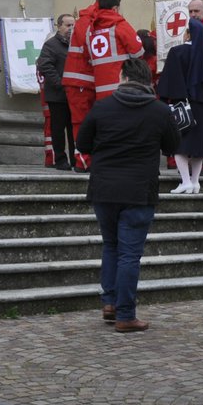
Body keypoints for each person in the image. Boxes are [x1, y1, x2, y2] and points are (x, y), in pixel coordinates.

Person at [77, 57, 180, 332]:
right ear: (148, 80)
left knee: (111, 246)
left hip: (104, 189)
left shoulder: (102, 107)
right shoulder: (159, 111)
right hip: (139, 191)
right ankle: (125, 314)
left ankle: (110, 302)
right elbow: (173, 146)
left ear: (122, 77)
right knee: (129, 255)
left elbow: (82, 143)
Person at [63, 0, 141, 170]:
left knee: (91, 122)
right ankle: (83, 160)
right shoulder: (93, 22)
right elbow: (137, 50)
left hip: (92, 82)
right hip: (82, 81)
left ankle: (90, 158)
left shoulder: (93, 21)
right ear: (114, 8)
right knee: (82, 122)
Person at [155, 16, 203, 193]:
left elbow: (170, 80)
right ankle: (195, 182)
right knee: (199, 147)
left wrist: (164, 99)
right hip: (202, 107)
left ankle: (185, 181)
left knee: (179, 145)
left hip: (182, 105)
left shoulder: (178, 52)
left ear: (189, 34)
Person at [35, 12, 76, 171]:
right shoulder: (51, 44)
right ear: (59, 27)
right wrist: (60, 83)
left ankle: (75, 159)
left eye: (73, 25)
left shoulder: (76, 45)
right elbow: (44, 65)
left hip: (73, 95)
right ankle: (60, 159)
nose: (71, 28)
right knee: (58, 129)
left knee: (74, 129)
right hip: (58, 95)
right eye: (68, 25)